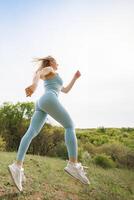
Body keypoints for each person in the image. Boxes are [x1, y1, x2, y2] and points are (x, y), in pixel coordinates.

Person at [8, 55, 90, 192]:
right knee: (70, 126)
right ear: (51, 61)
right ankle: (73, 164)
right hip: (49, 98)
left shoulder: (54, 74)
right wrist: (34, 85)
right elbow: (38, 73)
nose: (58, 64)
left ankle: (17, 166)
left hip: (42, 103)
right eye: (56, 61)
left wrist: (75, 78)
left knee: (31, 133)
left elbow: (65, 90)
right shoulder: (49, 68)